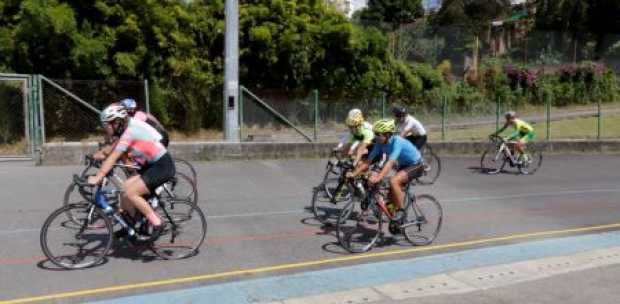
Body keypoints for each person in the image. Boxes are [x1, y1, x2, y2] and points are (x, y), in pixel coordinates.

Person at [88, 104, 175, 241]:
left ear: (116, 122)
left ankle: (158, 223)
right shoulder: (126, 129)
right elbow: (111, 150)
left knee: (131, 192)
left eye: (106, 125)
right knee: (124, 189)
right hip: (151, 165)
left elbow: (113, 156)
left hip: (162, 166)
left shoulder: (130, 132)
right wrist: (97, 157)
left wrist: (98, 176)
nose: (105, 129)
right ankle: (130, 225)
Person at [346, 119, 423, 218]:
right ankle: (394, 220)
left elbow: (390, 163)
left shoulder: (397, 142)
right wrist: (354, 173)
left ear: (387, 135)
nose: (376, 137)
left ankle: (401, 212)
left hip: (416, 164)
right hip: (403, 165)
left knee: (393, 181)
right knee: (390, 197)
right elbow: (368, 161)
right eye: (375, 134)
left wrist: (378, 177)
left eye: (378, 134)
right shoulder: (379, 143)